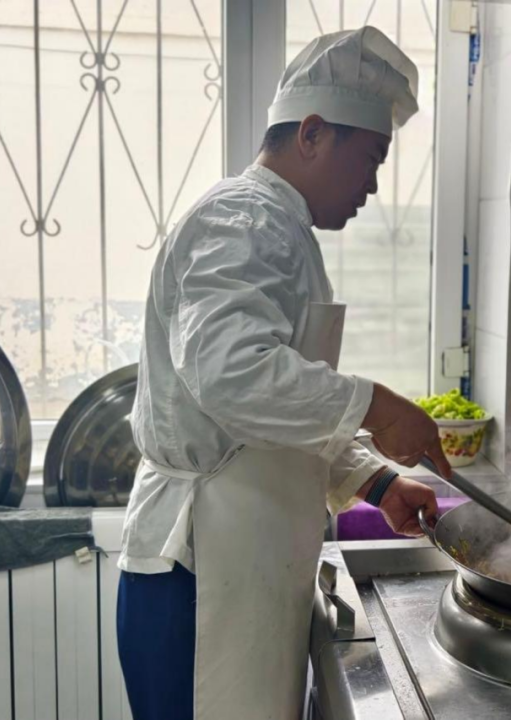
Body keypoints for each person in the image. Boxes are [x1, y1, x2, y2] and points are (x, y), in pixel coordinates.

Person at [115, 26, 450, 720]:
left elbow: (274, 416)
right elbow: (233, 376)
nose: (373, 185)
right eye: (371, 159)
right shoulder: (243, 219)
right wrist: (379, 406)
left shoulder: (280, 228)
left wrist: (377, 481)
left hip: (240, 568)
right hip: (199, 580)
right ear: (313, 133)